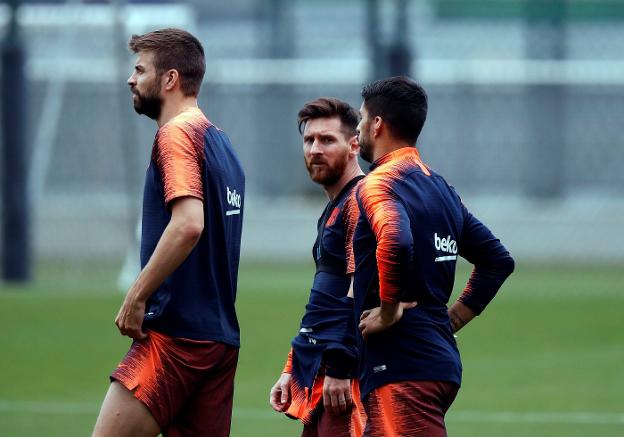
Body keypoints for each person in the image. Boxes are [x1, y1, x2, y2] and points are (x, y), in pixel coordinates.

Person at [92, 28, 245, 437]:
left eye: (140, 70)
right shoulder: (223, 144)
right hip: (219, 341)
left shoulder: (176, 135)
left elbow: (188, 224)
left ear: (170, 79)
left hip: (175, 340)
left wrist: (136, 296)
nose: (131, 79)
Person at [346, 76, 515, 436]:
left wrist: (389, 311)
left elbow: (395, 238)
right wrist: (447, 322)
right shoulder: (441, 189)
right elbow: (497, 261)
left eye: (361, 118)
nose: (357, 128)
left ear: (377, 124)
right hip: (432, 361)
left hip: (402, 366)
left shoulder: (378, 184)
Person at [269, 98, 366, 437]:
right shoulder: (334, 208)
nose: (314, 149)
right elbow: (324, 301)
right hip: (322, 370)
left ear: (354, 145)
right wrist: (293, 366)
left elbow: (363, 292)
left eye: (327, 140)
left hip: (347, 378)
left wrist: (341, 366)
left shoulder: (361, 203)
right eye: (309, 141)